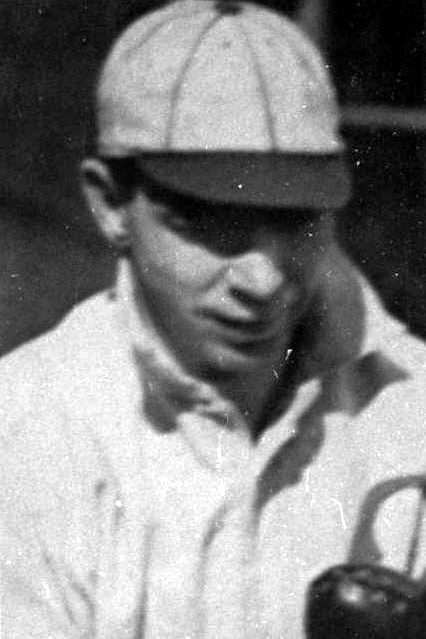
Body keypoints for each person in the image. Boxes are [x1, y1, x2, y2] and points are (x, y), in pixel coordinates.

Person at [2, 1, 426, 638]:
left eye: (296, 219)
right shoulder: (25, 434)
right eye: (211, 222)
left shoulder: (411, 413)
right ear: (111, 204)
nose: (263, 279)